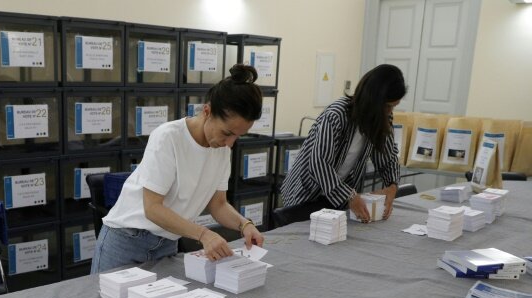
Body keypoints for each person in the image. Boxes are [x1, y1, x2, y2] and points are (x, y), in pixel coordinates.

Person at [90, 64, 265, 274]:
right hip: (126, 241)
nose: (230, 143)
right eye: (227, 133)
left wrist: (244, 224)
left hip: (167, 243)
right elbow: (152, 208)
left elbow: (218, 204)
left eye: (238, 136)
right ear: (207, 111)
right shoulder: (168, 137)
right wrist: (204, 234)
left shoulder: (222, 149)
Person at [280, 64, 407, 224]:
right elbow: (319, 165)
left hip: (337, 199)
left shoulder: (382, 119)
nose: (390, 112)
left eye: (393, 107)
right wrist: (350, 196)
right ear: (373, 99)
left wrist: (392, 186)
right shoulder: (336, 116)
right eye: (387, 106)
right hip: (305, 195)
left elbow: (387, 157)